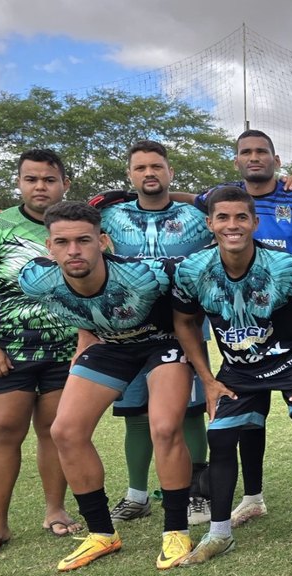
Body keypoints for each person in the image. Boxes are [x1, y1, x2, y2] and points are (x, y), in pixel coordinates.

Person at [20, 201, 194, 570]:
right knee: (65, 431)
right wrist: (85, 342)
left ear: (103, 241)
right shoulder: (35, 279)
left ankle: (176, 530)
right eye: (62, 242)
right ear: (48, 248)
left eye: (83, 240)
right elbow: (78, 306)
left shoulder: (146, 275)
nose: (73, 251)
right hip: (110, 347)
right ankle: (102, 534)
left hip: (161, 343)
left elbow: (193, 288)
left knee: (163, 426)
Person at [171, 186, 292, 564]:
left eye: (241, 217)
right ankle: (219, 534)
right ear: (210, 222)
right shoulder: (192, 271)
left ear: (255, 222)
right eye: (224, 218)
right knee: (223, 439)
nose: (233, 225)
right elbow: (184, 323)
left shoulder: (285, 266)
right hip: (238, 370)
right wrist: (208, 379)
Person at [0, 149, 80, 558]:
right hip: (7, 352)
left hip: (65, 352)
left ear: (64, 183)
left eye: (48, 179)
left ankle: (56, 510)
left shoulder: (75, 226)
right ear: (20, 184)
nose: (40, 187)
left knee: (55, 432)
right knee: (3, 432)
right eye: (31, 179)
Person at [93, 140, 213, 526]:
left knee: (191, 414)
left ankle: (198, 494)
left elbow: (230, 206)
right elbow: (63, 222)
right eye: (141, 168)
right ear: (129, 174)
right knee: (137, 416)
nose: (149, 174)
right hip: (126, 329)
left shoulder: (195, 214)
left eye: (157, 167)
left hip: (183, 326)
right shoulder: (111, 217)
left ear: (169, 172)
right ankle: (137, 495)